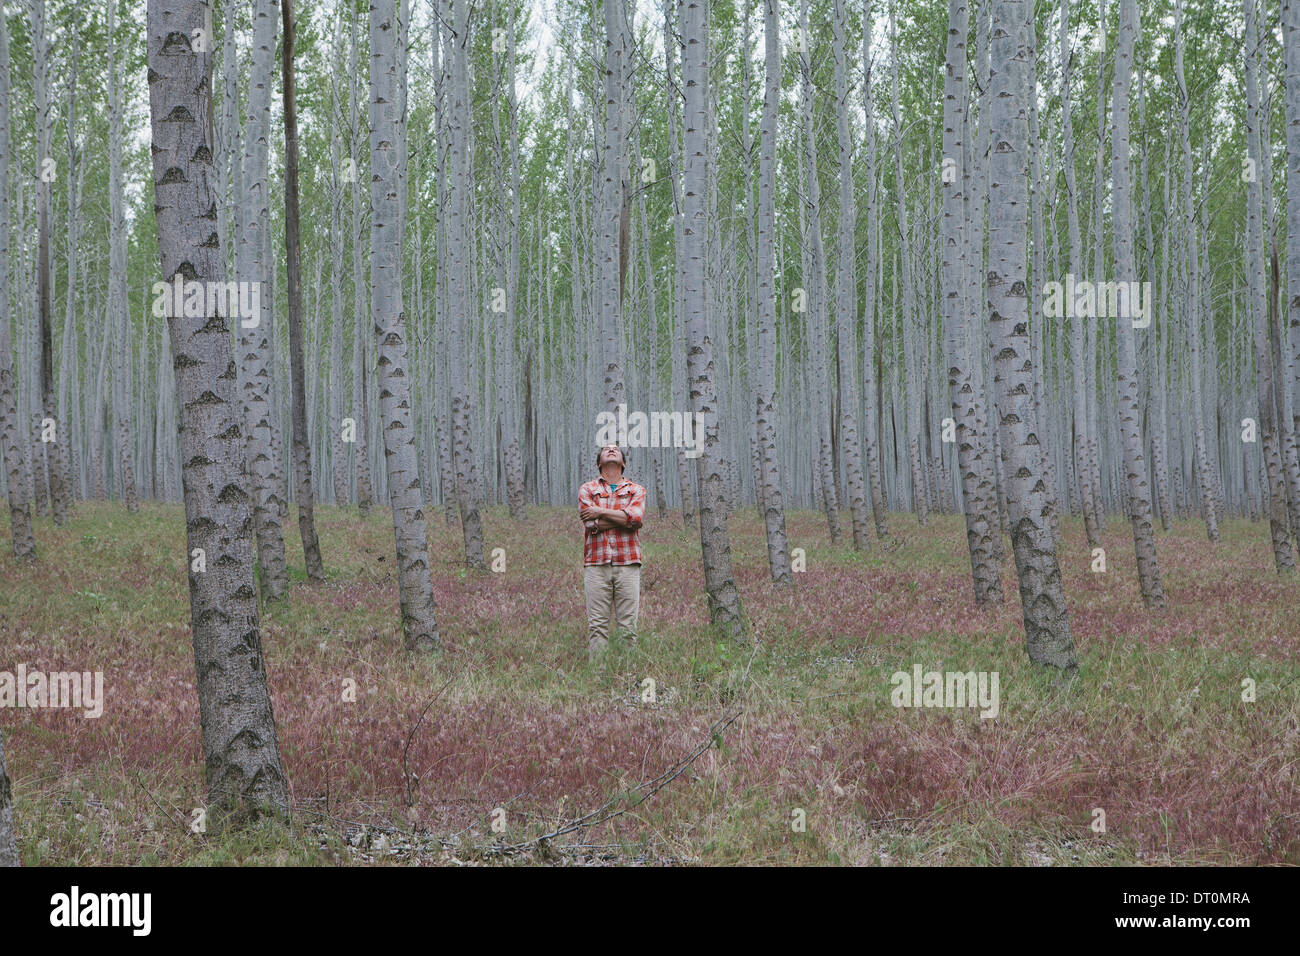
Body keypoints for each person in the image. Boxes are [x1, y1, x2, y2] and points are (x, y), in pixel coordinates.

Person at [578, 444, 646, 658]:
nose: (611, 450)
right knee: (597, 627)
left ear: (623, 463)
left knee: (628, 628)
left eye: (615, 449)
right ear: (599, 463)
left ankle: (627, 678)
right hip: (596, 565)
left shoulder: (636, 489)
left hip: (628, 564)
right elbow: (590, 526)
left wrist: (599, 512)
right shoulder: (587, 489)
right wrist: (624, 519)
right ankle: (598, 681)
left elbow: (637, 518)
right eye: (606, 449)